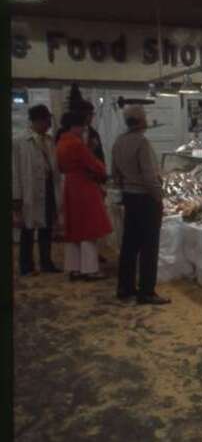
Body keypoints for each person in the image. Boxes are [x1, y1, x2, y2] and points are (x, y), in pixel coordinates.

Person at [111, 105, 171, 305]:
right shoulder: (142, 143)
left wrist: (124, 188)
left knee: (129, 245)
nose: (147, 119)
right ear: (139, 120)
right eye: (145, 116)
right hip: (146, 199)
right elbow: (148, 175)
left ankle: (125, 288)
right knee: (149, 247)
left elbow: (115, 172)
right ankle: (147, 292)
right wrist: (159, 197)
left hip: (129, 196)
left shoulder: (119, 141)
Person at [56, 111, 112, 281]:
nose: (84, 129)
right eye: (82, 126)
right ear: (76, 126)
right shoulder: (76, 144)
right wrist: (100, 165)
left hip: (70, 185)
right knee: (89, 229)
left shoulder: (61, 142)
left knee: (74, 229)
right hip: (84, 185)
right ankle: (90, 269)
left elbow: (59, 167)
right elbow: (95, 166)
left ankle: (74, 268)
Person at [12, 105, 63, 276]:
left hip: (48, 187)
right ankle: (26, 265)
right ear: (38, 120)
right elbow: (15, 171)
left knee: (46, 227)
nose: (49, 124)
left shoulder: (49, 141)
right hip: (29, 190)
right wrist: (16, 198)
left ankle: (46, 262)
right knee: (27, 229)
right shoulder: (19, 141)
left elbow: (54, 167)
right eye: (47, 120)